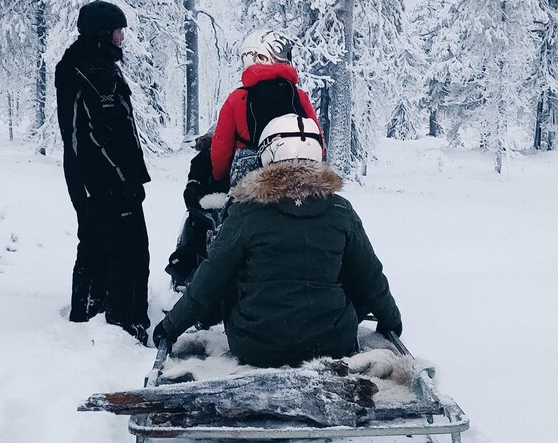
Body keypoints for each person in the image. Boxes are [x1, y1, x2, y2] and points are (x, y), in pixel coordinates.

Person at [153, 114, 402, 368]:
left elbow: (209, 279)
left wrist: (170, 327)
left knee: (228, 271)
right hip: (332, 343)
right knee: (347, 267)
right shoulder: (340, 210)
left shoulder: (245, 211)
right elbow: (371, 277)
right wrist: (391, 321)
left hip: (255, 345)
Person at [55, 0, 151, 344]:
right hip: (107, 183)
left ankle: (85, 316)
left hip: (87, 181)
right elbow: (103, 134)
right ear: (101, 34)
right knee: (131, 253)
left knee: (94, 246)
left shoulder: (76, 65)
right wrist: (126, 179)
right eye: (117, 32)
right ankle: (127, 328)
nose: (121, 39)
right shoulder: (96, 72)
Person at [210, 29, 324, 189]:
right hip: (298, 177)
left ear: (259, 57)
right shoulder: (299, 96)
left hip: (251, 180)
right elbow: (318, 140)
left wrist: (218, 178)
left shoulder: (237, 98)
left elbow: (221, 149)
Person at [165, 131, 227, 291]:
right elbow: (195, 178)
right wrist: (193, 187)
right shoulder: (205, 157)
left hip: (234, 205)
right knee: (197, 234)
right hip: (209, 207)